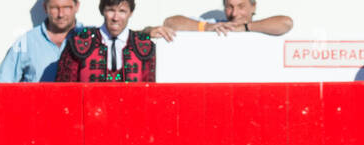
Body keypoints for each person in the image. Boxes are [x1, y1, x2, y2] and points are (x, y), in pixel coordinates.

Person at [55, 0, 155, 82]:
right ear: (102, 11)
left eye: (122, 11)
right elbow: (64, 90)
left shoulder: (144, 45)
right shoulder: (77, 42)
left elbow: (149, 93)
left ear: (131, 13)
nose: (116, 18)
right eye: (111, 10)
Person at [0, 0, 81, 83]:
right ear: (45, 8)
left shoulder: (90, 40)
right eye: (54, 8)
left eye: (66, 7)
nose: (61, 14)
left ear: (77, 6)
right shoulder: (26, 41)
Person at [162, 0, 292, 35]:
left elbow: (286, 23)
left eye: (241, 6)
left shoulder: (263, 27)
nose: (234, 13)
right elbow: (171, 23)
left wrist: (245, 28)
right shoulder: (216, 25)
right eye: (230, 7)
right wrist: (207, 27)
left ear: (253, 7)